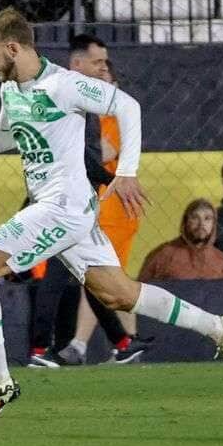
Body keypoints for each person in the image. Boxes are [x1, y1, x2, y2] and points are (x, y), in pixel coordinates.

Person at [0, 8, 223, 420]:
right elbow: (11, 134)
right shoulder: (11, 89)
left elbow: (128, 107)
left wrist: (128, 172)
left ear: (13, 48)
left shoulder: (66, 85)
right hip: (60, 207)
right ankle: (222, 328)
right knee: (119, 293)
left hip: (62, 208)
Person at [28, 37, 142, 369]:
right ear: (78, 64)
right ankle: (39, 349)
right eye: (98, 63)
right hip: (62, 196)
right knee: (60, 273)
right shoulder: (67, 96)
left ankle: (121, 343)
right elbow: (80, 153)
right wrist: (110, 180)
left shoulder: (76, 97)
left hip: (70, 196)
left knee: (84, 269)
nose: (104, 68)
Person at [139, 199, 223, 281]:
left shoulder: (220, 259)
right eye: (195, 217)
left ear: (213, 224)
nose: (201, 224)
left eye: (207, 218)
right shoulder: (164, 253)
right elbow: (142, 292)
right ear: (186, 222)